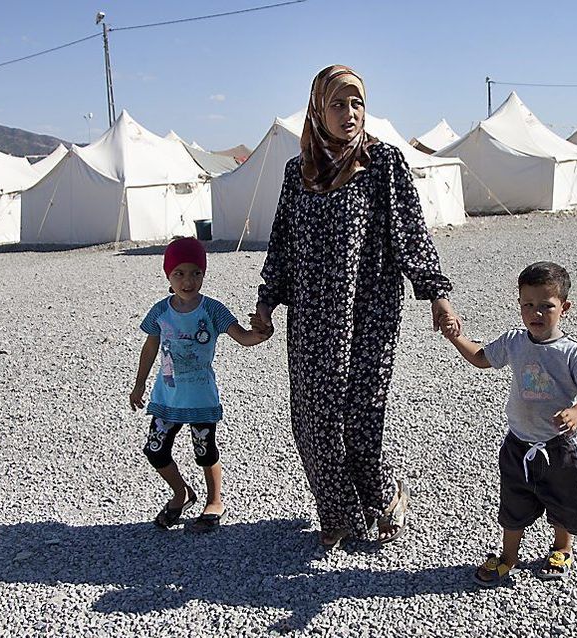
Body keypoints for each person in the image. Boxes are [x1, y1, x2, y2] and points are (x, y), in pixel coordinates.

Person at [250, 65, 461, 548]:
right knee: (315, 420)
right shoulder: (296, 171)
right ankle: (339, 513)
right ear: (317, 110)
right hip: (311, 320)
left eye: (357, 103)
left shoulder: (382, 161)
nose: (349, 113)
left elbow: (410, 233)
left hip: (369, 315)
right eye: (338, 104)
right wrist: (266, 303)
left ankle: (386, 497)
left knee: (362, 418)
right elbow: (282, 243)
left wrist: (437, 296)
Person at [445, 261, 577, 587]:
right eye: (528, 305)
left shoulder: (570, 352)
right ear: (519, 305)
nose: (537, 313)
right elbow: (480, 358)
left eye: (547, 306)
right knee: (513, 505)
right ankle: (508, 557)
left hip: (558, 447)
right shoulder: (514, 342)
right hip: (518, 443)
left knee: (562, 502)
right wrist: (456, 337)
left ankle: (562, 548)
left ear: (565, 307)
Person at [130, 237, 271, 532]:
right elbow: (149, 348)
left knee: (205, 451)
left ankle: (214, 500)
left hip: (200, 398)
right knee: (155, 451)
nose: (188, 280)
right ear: (168, 275)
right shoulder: (160, 312)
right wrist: (139, 384)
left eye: (195, 272)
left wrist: (261, 333)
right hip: (166, 398)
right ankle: (181, 494)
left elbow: (243, 337)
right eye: (179, 273)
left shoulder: (213, 310)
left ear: (204, 274)